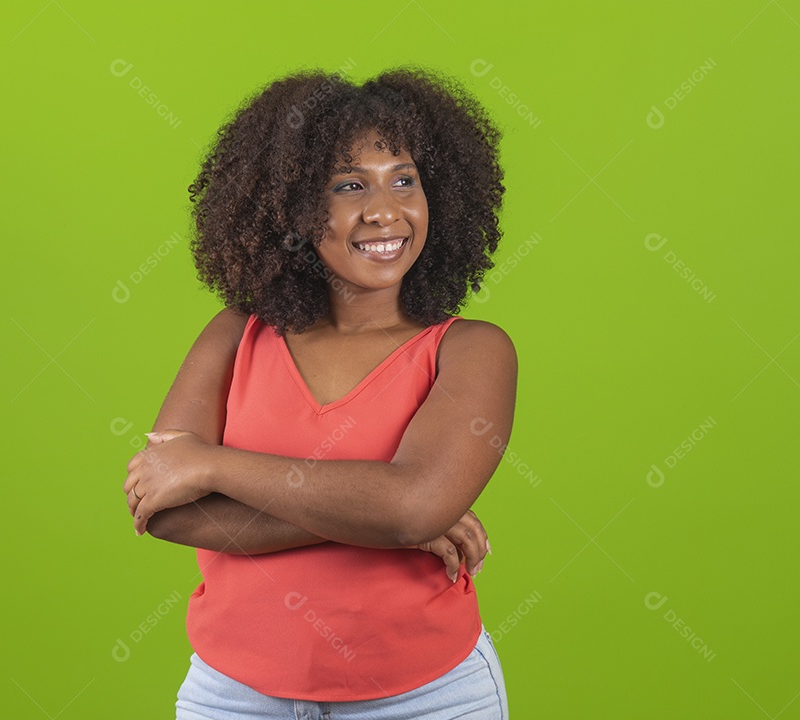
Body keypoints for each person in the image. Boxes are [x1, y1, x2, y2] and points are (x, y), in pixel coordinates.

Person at [123, 66, 517, 720]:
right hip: (233, 694)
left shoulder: (471, 350)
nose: (384, 210)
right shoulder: (235, 336)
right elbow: (164, 509)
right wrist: (380, 520)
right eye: (348, 185)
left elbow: (415, 507)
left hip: (425, 696)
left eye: (404, 180)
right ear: (291, 206)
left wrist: (213, 465)